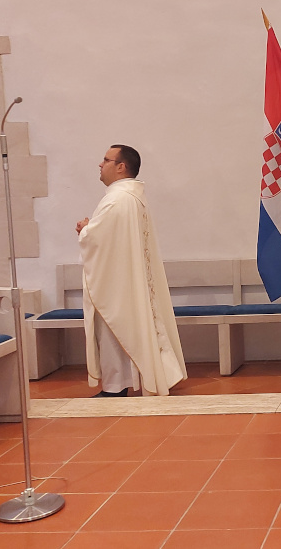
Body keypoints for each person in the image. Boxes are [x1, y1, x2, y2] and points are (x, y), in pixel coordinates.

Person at [77, 144, 187, 397]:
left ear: (121, 167)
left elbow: (98, 239)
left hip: (117, 283)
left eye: (106, 160)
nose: (100, 164)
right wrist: (92, 230)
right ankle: (134, 381)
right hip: (126, 278)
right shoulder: (131, 197)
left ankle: (115, 387)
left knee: (114, 329)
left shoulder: (117, 200)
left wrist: (85, 229)